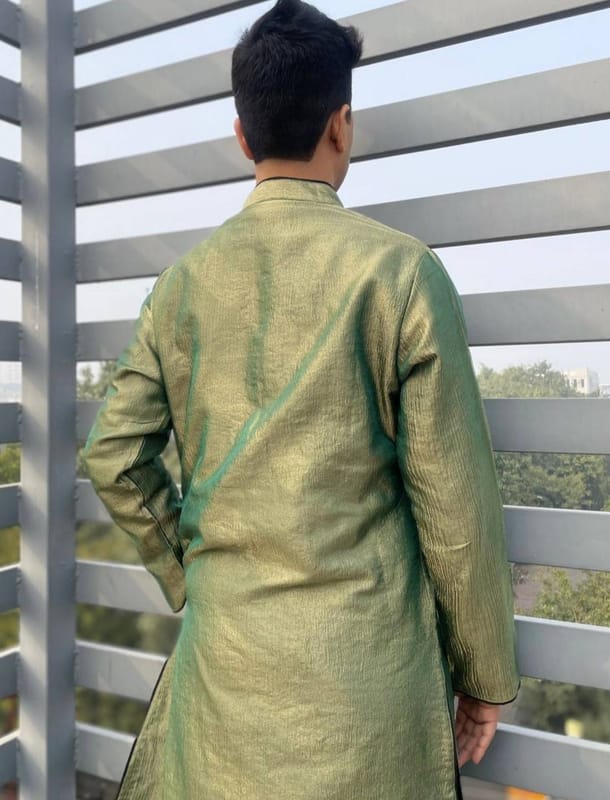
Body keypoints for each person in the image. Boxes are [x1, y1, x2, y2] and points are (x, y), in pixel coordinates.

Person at [82, 1, 521, 798]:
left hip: (224, 688)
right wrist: (485, 676)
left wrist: (193, 573)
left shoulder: (182, 285)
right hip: (370, 700)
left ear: (242, 136)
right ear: (341, 125)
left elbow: (113, 454)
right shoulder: (401, 274)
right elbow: (456, 508)